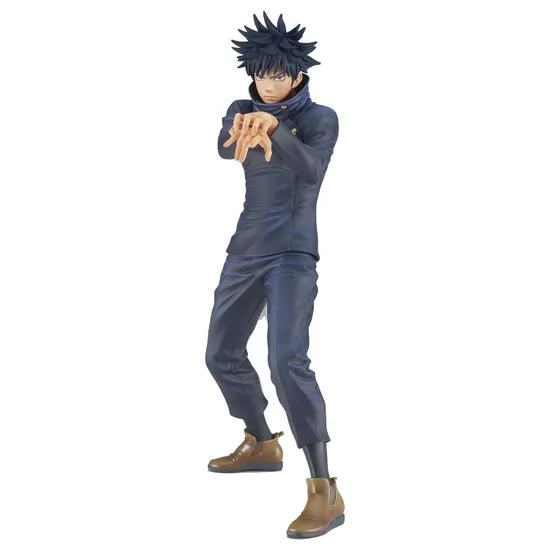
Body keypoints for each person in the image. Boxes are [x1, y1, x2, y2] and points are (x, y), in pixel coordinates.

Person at [204, 12, 344, 539]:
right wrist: (250, 124)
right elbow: (224, 148)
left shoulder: (321, 118)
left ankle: (325, 490)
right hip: (245, 249)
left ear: (298, 74)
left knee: (287, 361)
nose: (268, 84)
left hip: (292, 253)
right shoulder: (241, 110)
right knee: (220, 353)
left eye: (278, 74)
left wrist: (276, 129)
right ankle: (262, 442)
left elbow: (311, 169)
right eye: (261, 74)